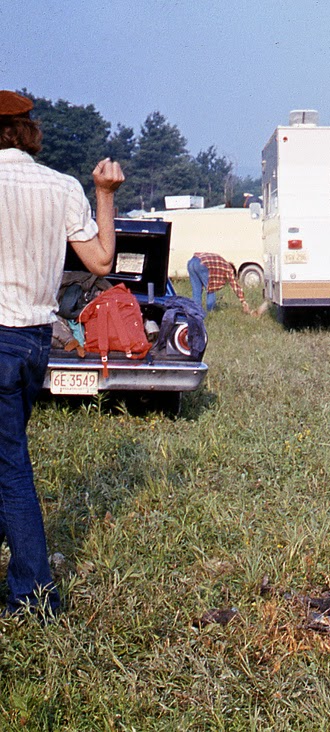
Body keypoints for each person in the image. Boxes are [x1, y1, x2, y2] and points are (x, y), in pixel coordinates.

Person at [0, 90, 125, 615]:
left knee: (10, 467)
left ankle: (35, 594)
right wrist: (105, 192)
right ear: (28, 131)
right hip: (32, 344)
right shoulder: (61, 186)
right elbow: (100, 260)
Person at [187, 252, 251, 315]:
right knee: (211, 289)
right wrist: (243, 301)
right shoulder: (228, 268)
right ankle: (210, 312)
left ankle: (196, 314)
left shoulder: (220, 264)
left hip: (191, 262)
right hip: (202, 263)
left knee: (196, 291)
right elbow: (235, 285)